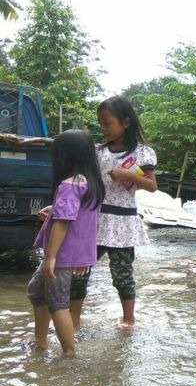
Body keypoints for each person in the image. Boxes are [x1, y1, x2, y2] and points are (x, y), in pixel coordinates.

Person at [69, 96, 158, 329]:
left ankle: (129, 320)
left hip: (123, 223)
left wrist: (129, 175)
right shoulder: (99, 153)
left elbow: (151, 186)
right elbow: (87, 183)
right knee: (80, 269)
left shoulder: (142, 152)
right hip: (95, 219)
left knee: (122, 274)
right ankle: (73, 319)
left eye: (107, 123)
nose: (103, 128)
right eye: (101, 123)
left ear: (126, 122)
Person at [27, 129, 105, 354]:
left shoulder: (69, 185)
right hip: (72, 253)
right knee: (37, 292)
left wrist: (50, 256)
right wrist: (54, 209)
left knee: (58, 303)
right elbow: (88, 221)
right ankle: (40, 341)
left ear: (64, 156)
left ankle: (70, 354)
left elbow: (64, 222)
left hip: (61, 254)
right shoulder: (90, 184)